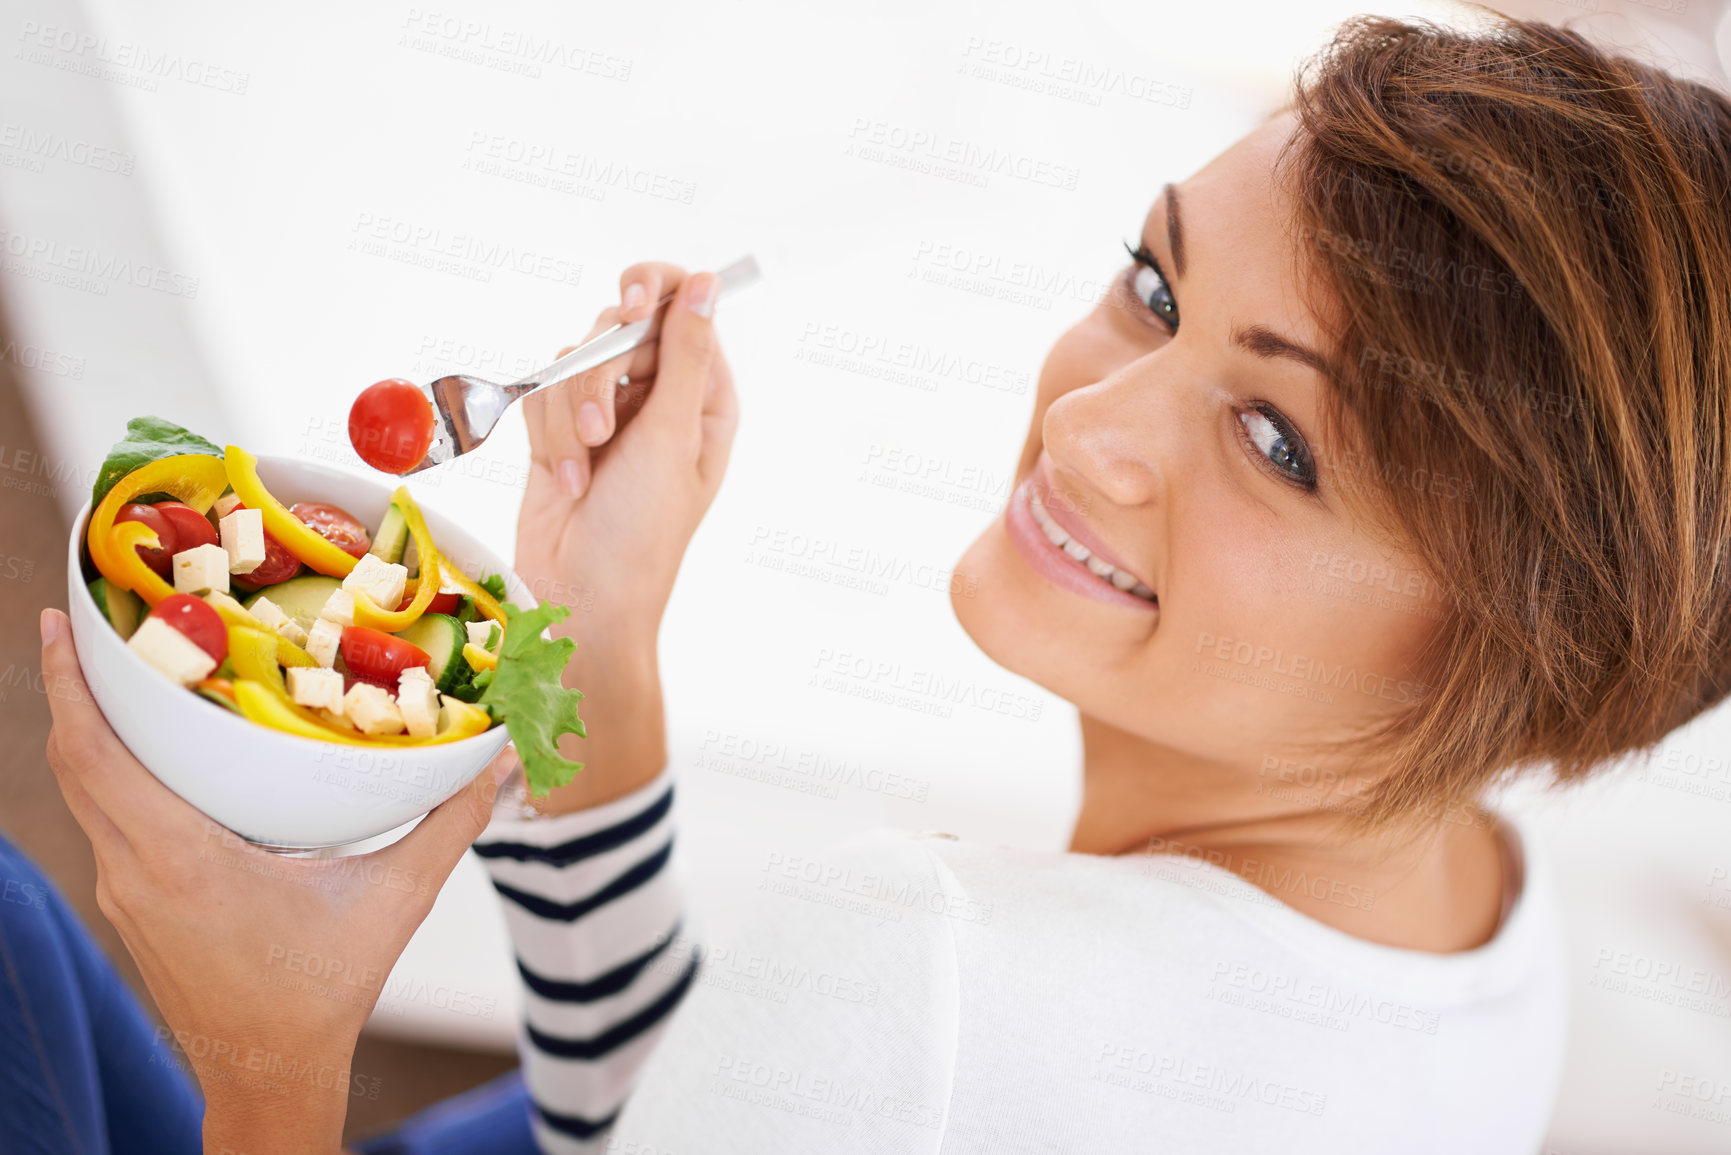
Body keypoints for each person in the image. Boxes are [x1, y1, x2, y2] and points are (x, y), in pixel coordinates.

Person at [18, 9, 1731, 1152]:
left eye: (1280, 443)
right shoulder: (1487, 922)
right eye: (1155, 283)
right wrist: (593, 634)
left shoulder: (922, 965)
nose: (1093, 424)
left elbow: (843, 1052)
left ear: (1510, 656)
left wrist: (268, 1053)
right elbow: (704, 1102)